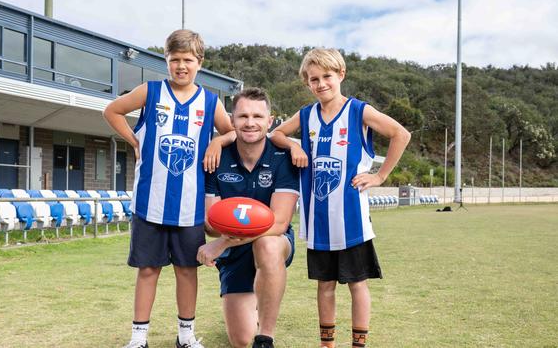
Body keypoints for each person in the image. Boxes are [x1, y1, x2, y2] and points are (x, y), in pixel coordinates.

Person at [103, 29, 235, 348]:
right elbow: (111, 111)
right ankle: (138, 338)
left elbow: (232, 133)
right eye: (174, 59)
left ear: (199, 63)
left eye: (187, 60)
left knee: (187, 270)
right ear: (166, 61)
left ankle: (185, 336)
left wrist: (218, 139)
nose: (180, 66)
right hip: (150, 201)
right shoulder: (150, 92)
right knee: (148, 270)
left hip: (190, 205)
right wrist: (135, 140)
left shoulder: (210, 101)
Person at [270, 48, 411, 348]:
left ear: (341, 75)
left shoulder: (359, 111)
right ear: (307, 83)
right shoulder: (306, 115)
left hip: (352, 220)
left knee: (357, 285)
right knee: (325, 286)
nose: (321, 84)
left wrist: (380, 176)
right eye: (313, 79)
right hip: (318, 221)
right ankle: (327, 344)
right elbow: (276, 135)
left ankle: (358, 344)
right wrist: (295, 147)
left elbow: (401, 134)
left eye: (327, 77)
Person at [196, 88, 299, 348]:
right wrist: (219, 239)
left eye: (257, 116)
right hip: (234, 255)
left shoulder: (283, 158)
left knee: (267, 245)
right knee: (241, 340)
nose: (250, 123)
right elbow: (210, 224)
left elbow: (279, 224)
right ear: (232, 121)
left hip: (271, 241)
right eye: (242, 116)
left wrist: (222, 243)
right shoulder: (215, 158)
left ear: (270, 121)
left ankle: (266, 336)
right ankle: (256, 298)